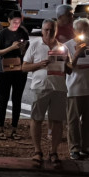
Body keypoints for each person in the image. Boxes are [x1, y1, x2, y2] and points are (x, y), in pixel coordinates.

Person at [22, 19, 68, 168]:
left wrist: (64, 63)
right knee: (36, 119)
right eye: (46, 29)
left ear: (56, 31)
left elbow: (71, 69)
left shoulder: (62, 47)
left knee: (57, 121)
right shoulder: (35, 45)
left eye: (52, 30)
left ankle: (53, 152)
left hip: (58, 88)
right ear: (42, 30)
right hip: (40, 87)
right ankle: (37, 151)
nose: (49, 32)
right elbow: (24, 67)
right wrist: (39, 64)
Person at [63, 18, 89, 160]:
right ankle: (74, 148)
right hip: (75, 89)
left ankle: (88, 148)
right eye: (80, 29)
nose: (83, 32)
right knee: (73, 120)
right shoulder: (67, 46)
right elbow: (66, 70)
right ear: (74, 31)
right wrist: (76, 55)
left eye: (86, 29)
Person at [0, 10, 29, 141]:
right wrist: (11, 48)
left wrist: (23, 48)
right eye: (14, 22)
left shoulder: (23, 32)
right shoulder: (3, 34)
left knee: (17, 99)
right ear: (9, 20)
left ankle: (14, 128)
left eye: (19, 22)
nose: (16, 24)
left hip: (19, 70)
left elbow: (27, 51)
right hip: (4, 70)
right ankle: (0, 128)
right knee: (3, 98)